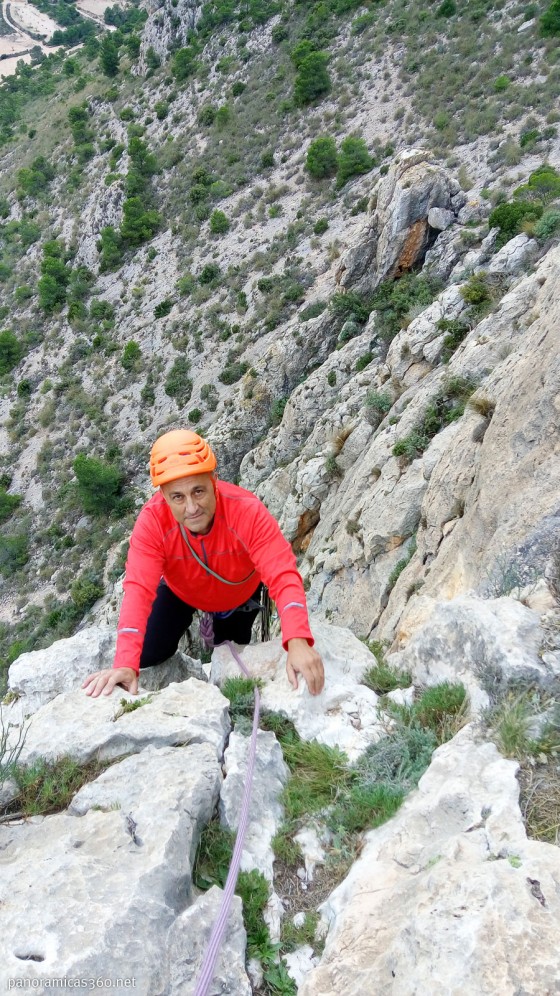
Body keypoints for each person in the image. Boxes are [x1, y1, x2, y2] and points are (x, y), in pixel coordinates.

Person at [83, 429, 325, 698]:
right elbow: (138, 590)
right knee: (150, 651)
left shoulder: (245, 510)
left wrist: (298, 640)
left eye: (198, 491)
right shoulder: (153, 522)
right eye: (178, 497)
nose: (191, 507)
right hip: (181, 591)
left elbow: (282, 573)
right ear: (163, 496)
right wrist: (125, 664)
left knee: (230, 657)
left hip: (237, 595)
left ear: (214, 481)